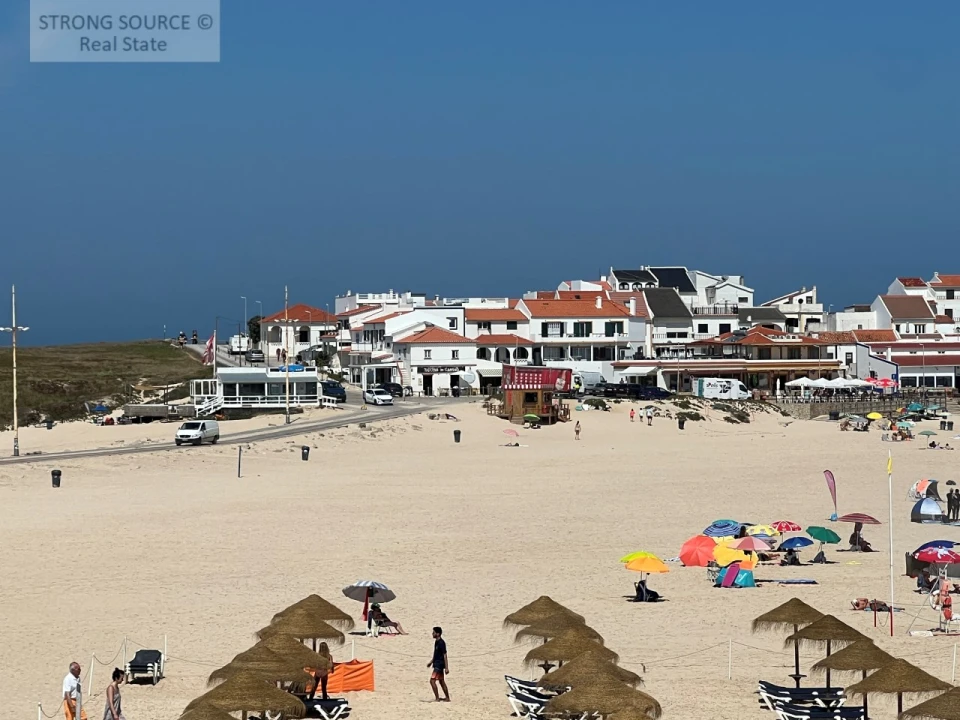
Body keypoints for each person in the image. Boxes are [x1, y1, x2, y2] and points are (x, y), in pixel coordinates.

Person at [428, 627, 450, 702]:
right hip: (436, 663)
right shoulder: (436, 642)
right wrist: (431, 662)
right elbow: (435, 653)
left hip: (439, 665)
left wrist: (446, 667)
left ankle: (437, 698)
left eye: (433, 632)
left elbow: (445, 655)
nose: (432, 634)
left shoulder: (441, 643)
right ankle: (447, 698)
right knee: (441, 681)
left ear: (438, 634)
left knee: (432, 681)